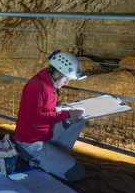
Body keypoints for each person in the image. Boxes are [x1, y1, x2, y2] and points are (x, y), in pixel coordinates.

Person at [14, 50, 87, 181]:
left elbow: (42, 107)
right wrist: (67, 113)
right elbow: (35, 119)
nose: (66, 83)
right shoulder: (36, 86)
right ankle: (35, 159)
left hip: (41, 136)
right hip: (30, 143)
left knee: (79, 119)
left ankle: (55, 156)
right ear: (58, 73)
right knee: (76, 173)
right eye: (66, 78)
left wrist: (59, 105)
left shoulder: (46, 83)